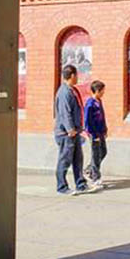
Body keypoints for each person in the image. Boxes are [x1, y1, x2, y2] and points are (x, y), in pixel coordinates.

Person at [54, 64, 94, 196]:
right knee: (64, 160)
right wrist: (70, 129)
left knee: (78, 159)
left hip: (75, 132)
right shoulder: (64, 92)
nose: (78, 77)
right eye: (77, 75)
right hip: (66, 133)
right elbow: (65, 112)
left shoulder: (72, 90)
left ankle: (81, 184)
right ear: (72, 76)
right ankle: (62, 187)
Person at [83, 80, 108, 188]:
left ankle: (89, 170)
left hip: (101, 132)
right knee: (96, 154)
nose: (103, 92)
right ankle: (95, 177)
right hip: (94, 133)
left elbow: (102, 117)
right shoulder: (90, 103)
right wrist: (93, 135)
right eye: (102, 91)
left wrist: (105, 130)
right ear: (97, 91)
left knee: (103, 152)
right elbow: (87, 121)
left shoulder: (99, 101)